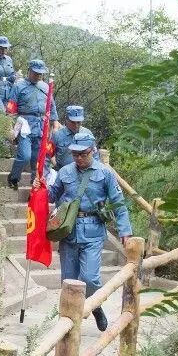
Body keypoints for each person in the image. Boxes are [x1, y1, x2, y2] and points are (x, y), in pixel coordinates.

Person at [40, 134, 132, 332]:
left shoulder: (105, 173)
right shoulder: (65, 171)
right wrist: (40, 187)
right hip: (68, 231)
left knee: (90, 278)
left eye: (83, 154)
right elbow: (51, 196)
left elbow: (118, 203)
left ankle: (95, 306)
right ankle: (67, 326)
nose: (79, 158)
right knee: (68, 282)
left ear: (93, 150)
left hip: (93, 230)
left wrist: (125, 231)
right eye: (75, 154)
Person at [7, 59, 58, 188]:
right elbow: (11, 108)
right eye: (36, 73)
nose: (38, 76)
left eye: (40, 74)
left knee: (37, 159)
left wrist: (54, 123)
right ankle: (14, 177)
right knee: (25, 156)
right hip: (25, 125)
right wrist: (10, 127)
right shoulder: (19, 86)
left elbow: (51, 106)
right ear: (29, 71)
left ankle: (35, 185)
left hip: (41, 126)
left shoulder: (45, 87)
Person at [50, 105, 93, 170]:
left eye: (78, 122)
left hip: (84, 171)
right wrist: (56, 166)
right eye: (73, 122)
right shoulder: (57, 135)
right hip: (62, 171)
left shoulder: (88, 134)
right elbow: (49, 155)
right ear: (67, 120)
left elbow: (94, 155)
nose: (76, 125)